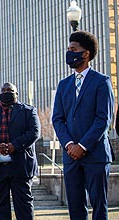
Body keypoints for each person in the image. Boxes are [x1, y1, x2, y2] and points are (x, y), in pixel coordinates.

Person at [52, 31, 114, 220]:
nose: (69, 53)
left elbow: (103, 119)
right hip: (71, 157)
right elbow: (57, 119)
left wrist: (83, 146)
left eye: (73, 49)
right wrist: (70, 145)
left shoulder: (101, 82)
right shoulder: (63, 85)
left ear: (85, 53)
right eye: (68, 49)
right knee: (75, 207)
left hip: (95, 155)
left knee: (99, 205)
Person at [0, 82, 41, 220]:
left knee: (24, 206)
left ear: (16, 94)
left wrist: (14, 146)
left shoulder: (28, 111)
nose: (6, 92)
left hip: (21, 166)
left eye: (9, 90)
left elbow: (34, 132)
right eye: (3, 90)